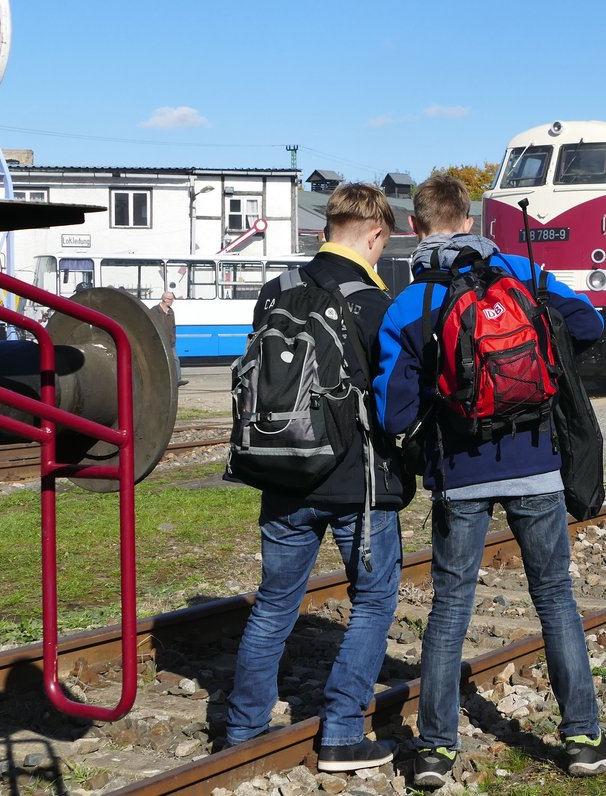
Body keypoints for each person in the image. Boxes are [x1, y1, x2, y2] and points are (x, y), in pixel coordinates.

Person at [374, 174, 606, 789]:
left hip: (459, 475)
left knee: (450, 608)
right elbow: (591, 324)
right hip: (537, 464)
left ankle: (434, 751)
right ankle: (583, 738)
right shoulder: (520, 270)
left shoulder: (409, 303)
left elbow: (393, 413)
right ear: (469, 220)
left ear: (415, 226)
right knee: (555, 599)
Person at [224, 184, 414, 772]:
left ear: (328, 226)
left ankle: (243, 732)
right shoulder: (376, 302)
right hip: (358, 483)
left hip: (281, 471)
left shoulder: (275, 290)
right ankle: (341, 733)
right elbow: (393, 398)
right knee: (373, 600)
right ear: (375, 234)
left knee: (274, 604)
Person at [149, 290, 188, 387]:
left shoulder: (171, 311)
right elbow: (150, 326)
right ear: (165, 299)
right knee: (158, 361)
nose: (172, 301)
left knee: (175, 359)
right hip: (158, 341)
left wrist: (173, 338)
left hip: (170, 342)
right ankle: (157, 380)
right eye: (170, 299)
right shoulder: (154, 311)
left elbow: (173, 326)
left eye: (172, 299)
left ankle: (178, 379)